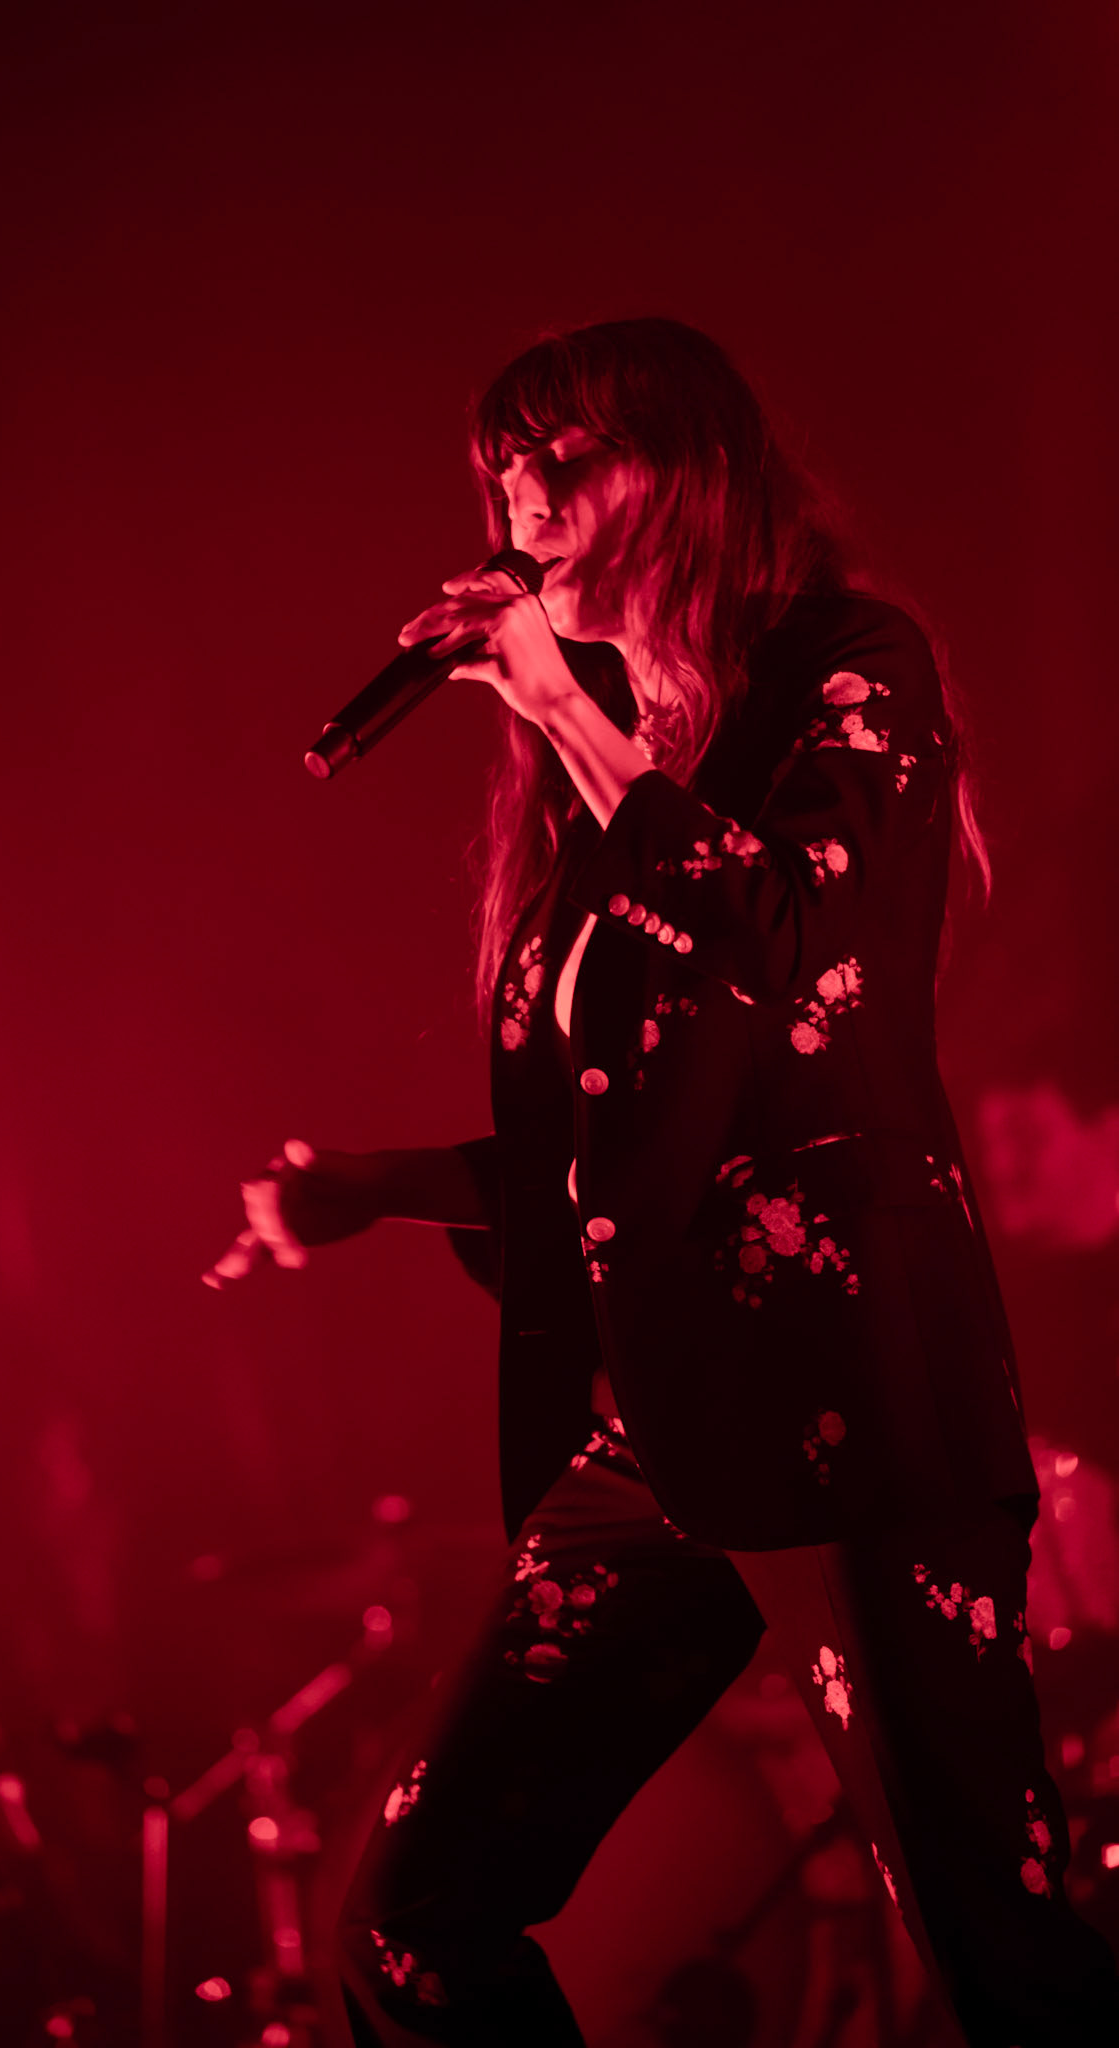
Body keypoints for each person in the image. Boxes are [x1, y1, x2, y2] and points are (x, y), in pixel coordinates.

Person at [209, 319, 1119, 2046]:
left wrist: (556, 703)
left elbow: (795, 945)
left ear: (692, 476)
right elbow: (637, 1145)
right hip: (658, 1431)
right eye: (504, 468)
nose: (523, 501)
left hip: (857, 1408)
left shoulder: (851, 669)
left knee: (1001, 1960)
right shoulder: (599, 765)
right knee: (410, 1929)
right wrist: (377, 1186)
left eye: (567, 457)